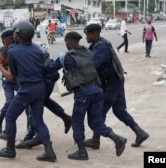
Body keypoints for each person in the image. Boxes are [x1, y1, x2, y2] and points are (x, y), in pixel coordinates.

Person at [46, 31, 127, 160]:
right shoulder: (89, 52)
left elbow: (49, 68)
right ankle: (117, 139)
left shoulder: (65, 57)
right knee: (96, 122)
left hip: (83, 93)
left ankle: (82, 152)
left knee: (77, 121)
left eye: (66, 43)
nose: (66, 45)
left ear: (70, 42)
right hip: (97, 91)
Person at [0, 20, 56, 162]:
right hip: (40, 88)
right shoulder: (36, 49)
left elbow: (11, 77)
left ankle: (10, 149)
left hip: (27, 89)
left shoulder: (13, 51)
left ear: (18, 35)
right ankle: (49, 151)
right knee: (38, 120)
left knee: (10, 117)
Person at [83, 24, 149, 150]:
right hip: (116, 80)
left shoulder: (100, 47)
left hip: (111, 83)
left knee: (99, 111)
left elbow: (93, 66)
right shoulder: (100, 43)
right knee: (119, 110)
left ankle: (96, 140)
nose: (86, 37)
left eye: (88, 35)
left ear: (95, 34)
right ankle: (140, 133)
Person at [15, 44, 72, 149]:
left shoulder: (42, 62)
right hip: (49, 78)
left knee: (33, 108)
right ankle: (66, 118)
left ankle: (31, 138)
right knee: (45, 101)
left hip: (45, 79)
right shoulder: (37, 53)